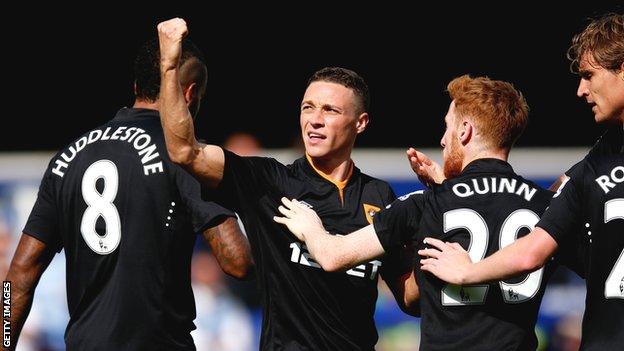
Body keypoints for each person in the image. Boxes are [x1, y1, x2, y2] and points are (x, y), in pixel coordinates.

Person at [157, 18, 417, 351]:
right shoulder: (270, 182)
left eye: (330, 110)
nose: (315, 119)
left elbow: (410, 299)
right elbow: (183, 151)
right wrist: (169, 66)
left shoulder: (379, 195)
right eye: (308, 107)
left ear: (360, 123)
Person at [274, 74, 583, 350]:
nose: (442, 140)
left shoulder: (427, 203)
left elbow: (333, 256)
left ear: (465, 130)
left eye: (447, 127)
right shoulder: (546, 206)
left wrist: (311, 226)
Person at [4, 37, 253, 350]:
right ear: (189, 95)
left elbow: (18, 276)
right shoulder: (184, 158)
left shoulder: (67, 159)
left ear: (137, 86)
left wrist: (3, 341)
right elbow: (237, 262)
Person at [417, 12, 623, 350]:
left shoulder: (596, 166)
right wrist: (449, 191)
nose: (580, 90)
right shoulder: (597, 159)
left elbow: (531, 253)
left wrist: (467, 272)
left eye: (589, 75)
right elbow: (537, 234)